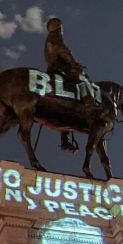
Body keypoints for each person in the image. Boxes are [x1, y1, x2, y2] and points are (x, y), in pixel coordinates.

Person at [44, 17, 98, 153]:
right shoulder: (54, 37)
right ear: (56, 26)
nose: (61, 30)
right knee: (83, 79)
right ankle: (90, 104)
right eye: (60, 27)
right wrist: (74, 63)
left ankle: (65, 140)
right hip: (60, 70)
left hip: (54, 70)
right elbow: (62, 50)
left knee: (64, 111)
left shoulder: (49, 39)